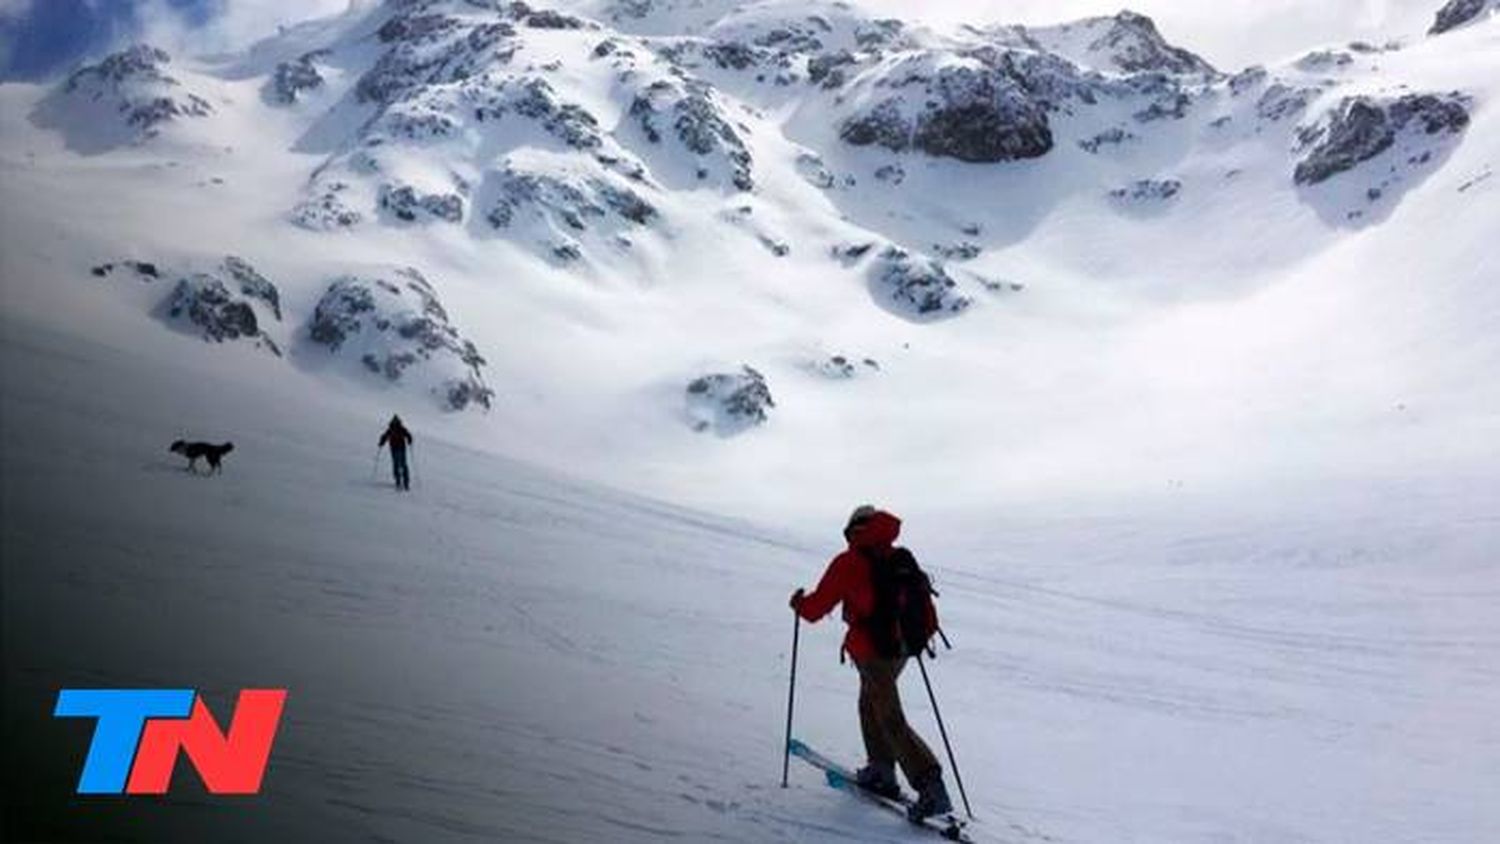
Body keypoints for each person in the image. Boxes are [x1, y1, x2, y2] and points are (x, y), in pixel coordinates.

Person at [789, 505, 954, 820]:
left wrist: (798, 603)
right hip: (902, 649)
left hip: (872, 650)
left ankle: (930, 785)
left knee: (889, 716)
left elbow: (815, 609)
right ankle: (881, 770)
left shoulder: (849, 562)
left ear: (854, 529)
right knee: (871, 704)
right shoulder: (897, 557)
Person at [378, 415, 413, 490]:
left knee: (398, 464)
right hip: (398, 448)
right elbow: (408, 435)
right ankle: (403, 481)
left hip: (397, 448)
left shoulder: (393, 429)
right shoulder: (398, 429)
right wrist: (409, 439)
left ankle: (400, 481)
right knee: (401, 464)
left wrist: (381, 442)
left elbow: (385, 436)